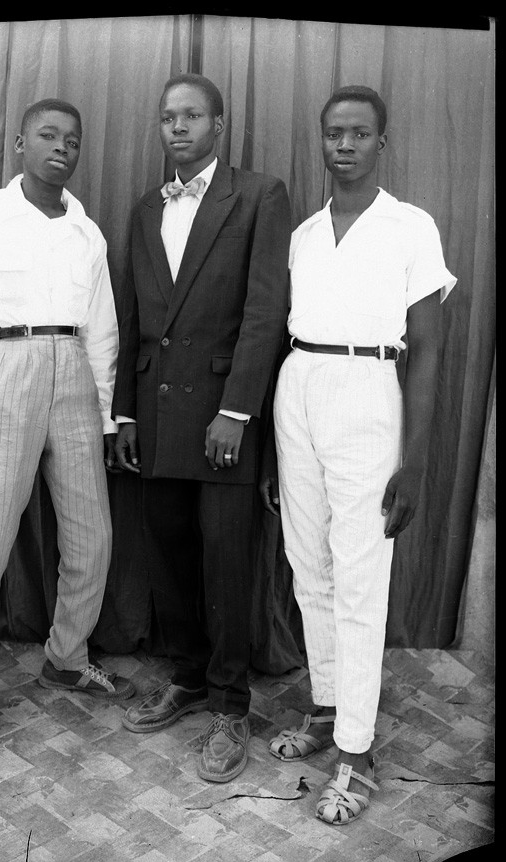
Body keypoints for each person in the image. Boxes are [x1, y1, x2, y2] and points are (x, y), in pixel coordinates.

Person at [260, 85, 456, 823]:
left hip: (369, 385)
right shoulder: (305, 233)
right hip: (299, 383)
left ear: (382, 143)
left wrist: (415, 460)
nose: (343, 144)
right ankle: (326, 706)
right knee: (307, 564)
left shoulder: (409, 226)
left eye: (358, 133)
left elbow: (429, 349)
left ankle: (356, 748)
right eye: (332, 133)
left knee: (358, 572)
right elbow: (286, 330)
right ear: (321, 141)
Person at [0, 98, 135, 748]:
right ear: (20, 143)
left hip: (72, 376)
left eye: (73, 138)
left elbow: (102, 333)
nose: (62, 147)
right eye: (48, 134)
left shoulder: (87, 232)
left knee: (93, 538)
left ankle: (66, 656)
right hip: (6, 369)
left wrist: (100, 416)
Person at [113, 73, 291, 782]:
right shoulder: (141, 209)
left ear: (219, 125)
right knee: (169, 554)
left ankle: (229, 702)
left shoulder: (259, 195)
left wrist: (236, 411)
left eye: (191, 116)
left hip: (222, 415)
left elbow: (263, 309)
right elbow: (133, 316)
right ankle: (187, 678)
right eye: (167, 117)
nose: (177, 127)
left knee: (224, 560)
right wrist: (124, 411)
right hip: (155, 414)